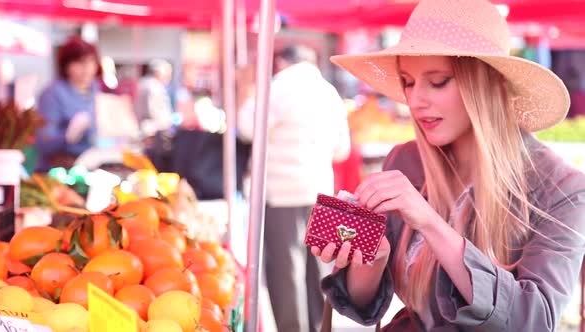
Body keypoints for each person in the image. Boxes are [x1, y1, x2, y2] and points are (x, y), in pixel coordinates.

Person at [311, 0, 585, 331]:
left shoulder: (561, 188)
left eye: (438, 81)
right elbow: (361, 303)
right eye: (408, 82)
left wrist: (430, 224)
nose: (416, 100)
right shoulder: (406, 161)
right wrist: (372, 258)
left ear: (485, 83)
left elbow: (535, 320)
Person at [237, 45, 351, 332]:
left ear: (281, 61)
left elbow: (246, 127)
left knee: (287, 273)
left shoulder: (280, 86)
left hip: (282, 193)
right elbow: (342, 151)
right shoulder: (329, 93)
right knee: (320, 271)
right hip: (321, 192)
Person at [35, 36, 101, 171]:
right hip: (59, 171)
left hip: (92, 165)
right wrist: (67, 136)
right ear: (66, 65)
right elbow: (43, 142)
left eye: (91, 62)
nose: (87, 68)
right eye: (80, 63)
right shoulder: (52, 93)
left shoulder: (96, 88)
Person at [133, 59, 174, 137]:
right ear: (158, 73)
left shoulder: (142, 83)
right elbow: (154, 111)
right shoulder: (155, 87)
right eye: (167, 74)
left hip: (142, 126)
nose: (168, 78)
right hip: (152, 129)